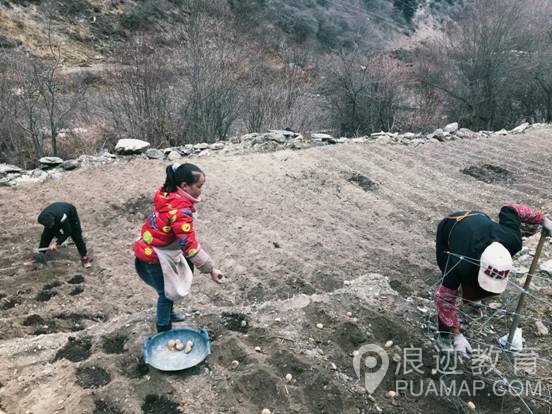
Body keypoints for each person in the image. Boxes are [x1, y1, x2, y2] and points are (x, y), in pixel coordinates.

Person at [434, 203, 552, 354]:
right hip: (450, 227)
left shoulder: (513, 241)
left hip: (479, 217)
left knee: (469, 285)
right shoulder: (460, 262)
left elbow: (510, 209)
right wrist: (457, 335)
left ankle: (472, 297)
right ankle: (444, 336)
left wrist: (543, 219)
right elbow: (443, 299)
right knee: (448, 282)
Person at [134, 163, 224, 333]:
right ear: (184, 186)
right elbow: (189, 245)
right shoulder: (180, 210)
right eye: (199, 186)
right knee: (166, 294)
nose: (201, 190)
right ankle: (163, 330)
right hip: (155, 257)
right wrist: (211, 269)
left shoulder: (168, 194)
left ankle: (170, 313)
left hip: (151, 247)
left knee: (171, 285)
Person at [28, 202, 91, 268]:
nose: (51, 226)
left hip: (70, 215)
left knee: (76, 236)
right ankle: (39, 257)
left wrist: (56, 243)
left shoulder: (61, 216)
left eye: (51, 224)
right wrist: (58, 238)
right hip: (55, 217)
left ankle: (84, 258)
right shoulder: (41, 218)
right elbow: (50, 228)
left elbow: (68, 231)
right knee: (46, 236)